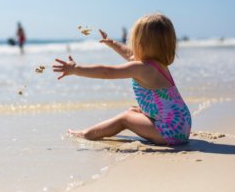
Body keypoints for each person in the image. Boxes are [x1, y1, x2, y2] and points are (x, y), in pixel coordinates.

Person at [52, 13, 191, 146]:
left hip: (169, 132)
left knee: (125, 118)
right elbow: (130, 55)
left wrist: (76, 69)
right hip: (182, 125)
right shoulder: (158, 66)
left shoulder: (142, 68)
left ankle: (87, 133)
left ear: (140, 43)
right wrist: (112, 43)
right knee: (133, 111)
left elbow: (107, 72)